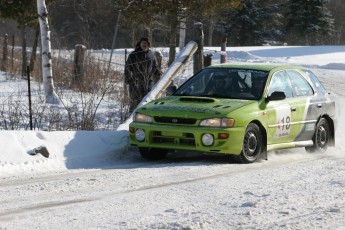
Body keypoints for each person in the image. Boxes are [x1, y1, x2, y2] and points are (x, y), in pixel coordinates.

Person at [124, 37, 162, 112]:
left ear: (148, 45)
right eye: (142, 43)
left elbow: (155, 66)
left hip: (148, 82)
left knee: (147, 101)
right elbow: (127, 68)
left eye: (146, 43)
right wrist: (129, 79)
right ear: (140, 44)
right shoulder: (134, 55)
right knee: (135, 102)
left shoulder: (151, 54)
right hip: (136, 82)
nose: (144, 44)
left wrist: (157, 71)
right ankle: (131, 118)